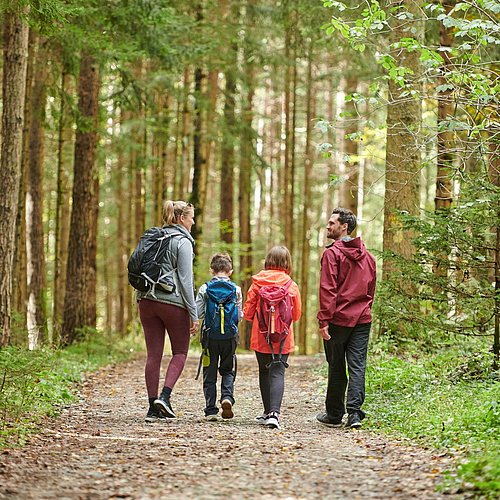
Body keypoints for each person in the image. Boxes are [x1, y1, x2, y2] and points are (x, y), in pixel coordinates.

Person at [137, 200, 199, 423]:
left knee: (153, 355)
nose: (193, 222)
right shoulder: (183, 242)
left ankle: (152, 409)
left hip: (146, 301)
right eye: (191, 217)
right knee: (180, 352)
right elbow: (185, 279)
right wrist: (194, 313)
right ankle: (165, 396)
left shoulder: (154, 237)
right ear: (182, 218)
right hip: (172, 303)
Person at [316, 207, 376, 429]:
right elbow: (371, 289)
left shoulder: (332, 254)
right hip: (362, 318)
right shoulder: (368, 256)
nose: (328, 226)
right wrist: (365, 308)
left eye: (332, 223)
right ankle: (355, 414)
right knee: (357, 365)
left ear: (344, 227)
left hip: (338, 320)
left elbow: (328, 289)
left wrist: (324, 320)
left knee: (337, 365)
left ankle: (334, 414)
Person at [243, 246, 302, 430]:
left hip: (261, 336)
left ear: (268, 261)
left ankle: (267, 411)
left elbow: (247, 313)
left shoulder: (257, 283)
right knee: (278, 371)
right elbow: (297, 314)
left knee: (264, 371)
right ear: (287, 263)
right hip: (283, 337)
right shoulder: (291, 285)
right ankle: (275, 414)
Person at [195, 253, 242, 421]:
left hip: (209, 338)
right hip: (229, 337)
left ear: (211, 270)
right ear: (230, 271)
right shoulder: (236, 289)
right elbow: (239, 315)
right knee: (228, 369)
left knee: (210, 372)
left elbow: (199, 313)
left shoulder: (205, 288)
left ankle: (210, 410)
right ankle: (227, 397)